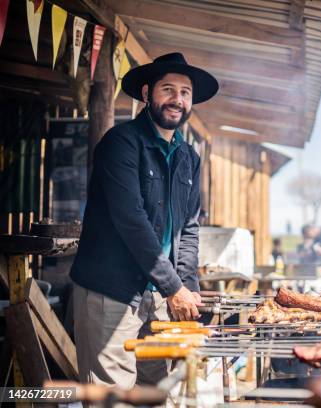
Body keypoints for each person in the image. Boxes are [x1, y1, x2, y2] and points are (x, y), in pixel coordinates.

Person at [70, 53, 219, 387]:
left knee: (159, 391)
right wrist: (174, 287)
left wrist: (187, 287)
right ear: (146, 93)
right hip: (112, 289)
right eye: (168, 89)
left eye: (185, 92)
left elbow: (189, 228)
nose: (177, 100)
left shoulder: (189, 157)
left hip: (160, 295)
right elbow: (131, 220)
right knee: (113, 393)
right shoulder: (120, 144)